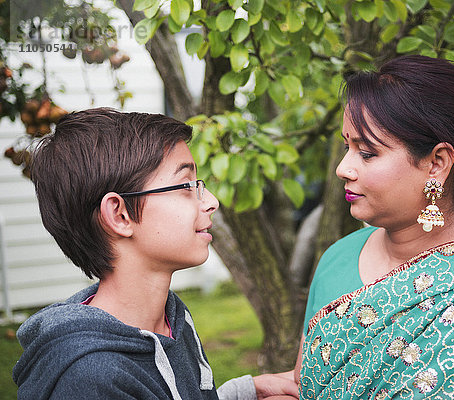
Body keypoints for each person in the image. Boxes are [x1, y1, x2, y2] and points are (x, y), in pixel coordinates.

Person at [12, 108, 297, 400]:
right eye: (186, 186)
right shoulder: (91, 379)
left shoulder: (170, 318)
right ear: (120, 215)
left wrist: (247, 391)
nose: (211, 202)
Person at [295, 56, 454, 399]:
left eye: (366, 153)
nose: (343, 168)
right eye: (347, 146)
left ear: (436, 163)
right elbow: (302, 382)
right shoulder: (339, 256)